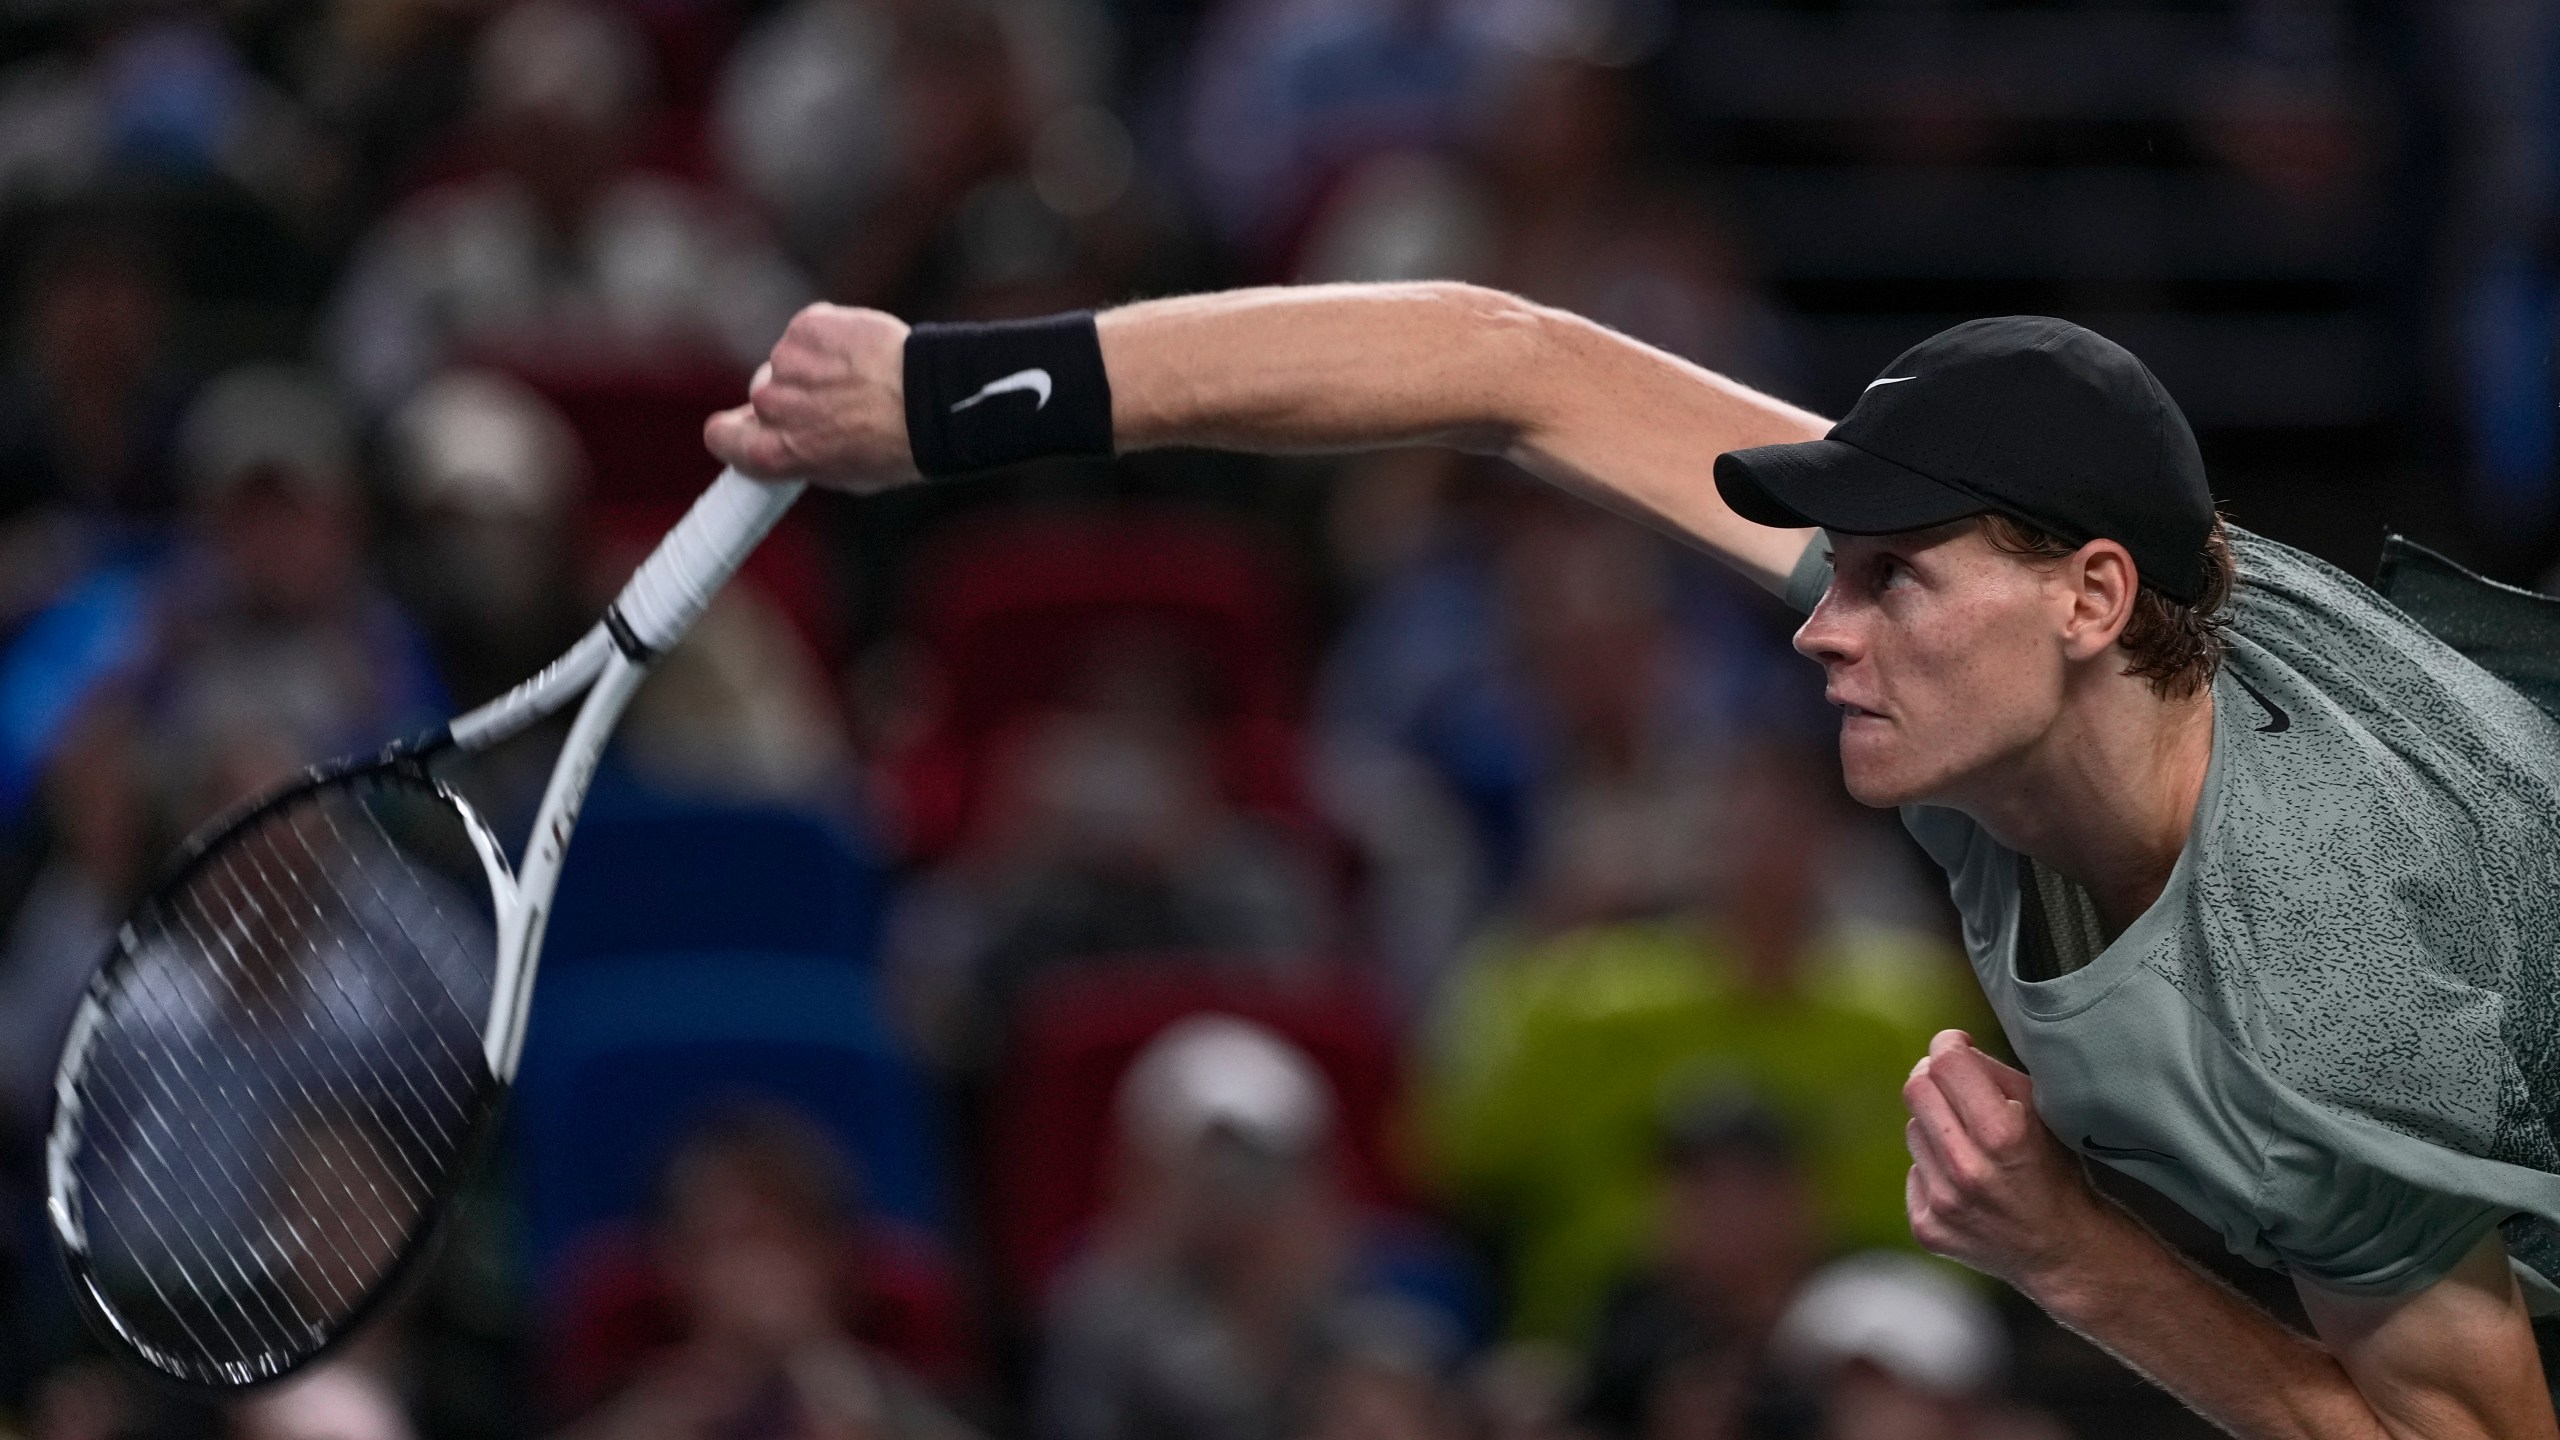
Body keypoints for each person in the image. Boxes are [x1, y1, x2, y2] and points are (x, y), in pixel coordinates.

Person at [707, 287, 2560, 1437]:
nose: (1823, 630)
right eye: (1837, 568)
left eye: (1895, 577)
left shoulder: (2318, 993)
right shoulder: (2073, 637)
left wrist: (2081, 1266)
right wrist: (956, 393)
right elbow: (1510, 365)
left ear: (2089, 599)